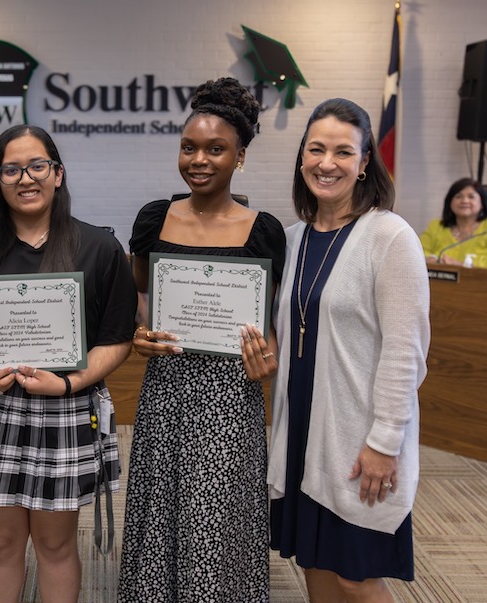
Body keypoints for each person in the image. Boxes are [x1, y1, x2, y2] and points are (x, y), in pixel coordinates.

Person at [0, 125, 135, 603]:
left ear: (57, 174)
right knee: (1, 543)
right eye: (11, 169)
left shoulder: (99, 248)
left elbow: (118, 340)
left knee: (54, 544)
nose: (25, 178)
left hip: (64, 412)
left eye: (37, 166)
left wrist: (69, 385)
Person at [118, 77, 286, 603]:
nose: (199, 159)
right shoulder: (153, 219)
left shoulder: (264, 230)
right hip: (166, 392)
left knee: (217, 522)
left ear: (239, 158)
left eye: (216, 149)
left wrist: (269, 358)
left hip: (230, 399)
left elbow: (271, 323)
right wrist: (137, 334)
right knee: (159, 516)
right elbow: (137, 297)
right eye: (188, 147)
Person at [268, 98, 430, 602]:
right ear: (301, 159)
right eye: (316, 149)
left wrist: (384, 441)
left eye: (343, 151)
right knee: (315, 563)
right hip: (303, 430)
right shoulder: (290, 239)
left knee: (355, 577)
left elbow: (407, 350)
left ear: (363, 164)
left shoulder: (389, 236)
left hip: (357, 436)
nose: (327, 162)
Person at [419, 177, 487, 269]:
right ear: (450, 202)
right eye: (458, 196)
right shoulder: (436, 226)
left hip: (482, 283)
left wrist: (463, 264)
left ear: (482, 203)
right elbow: (417, 253)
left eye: (471, 197)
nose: (464, 201)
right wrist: (434, 260)